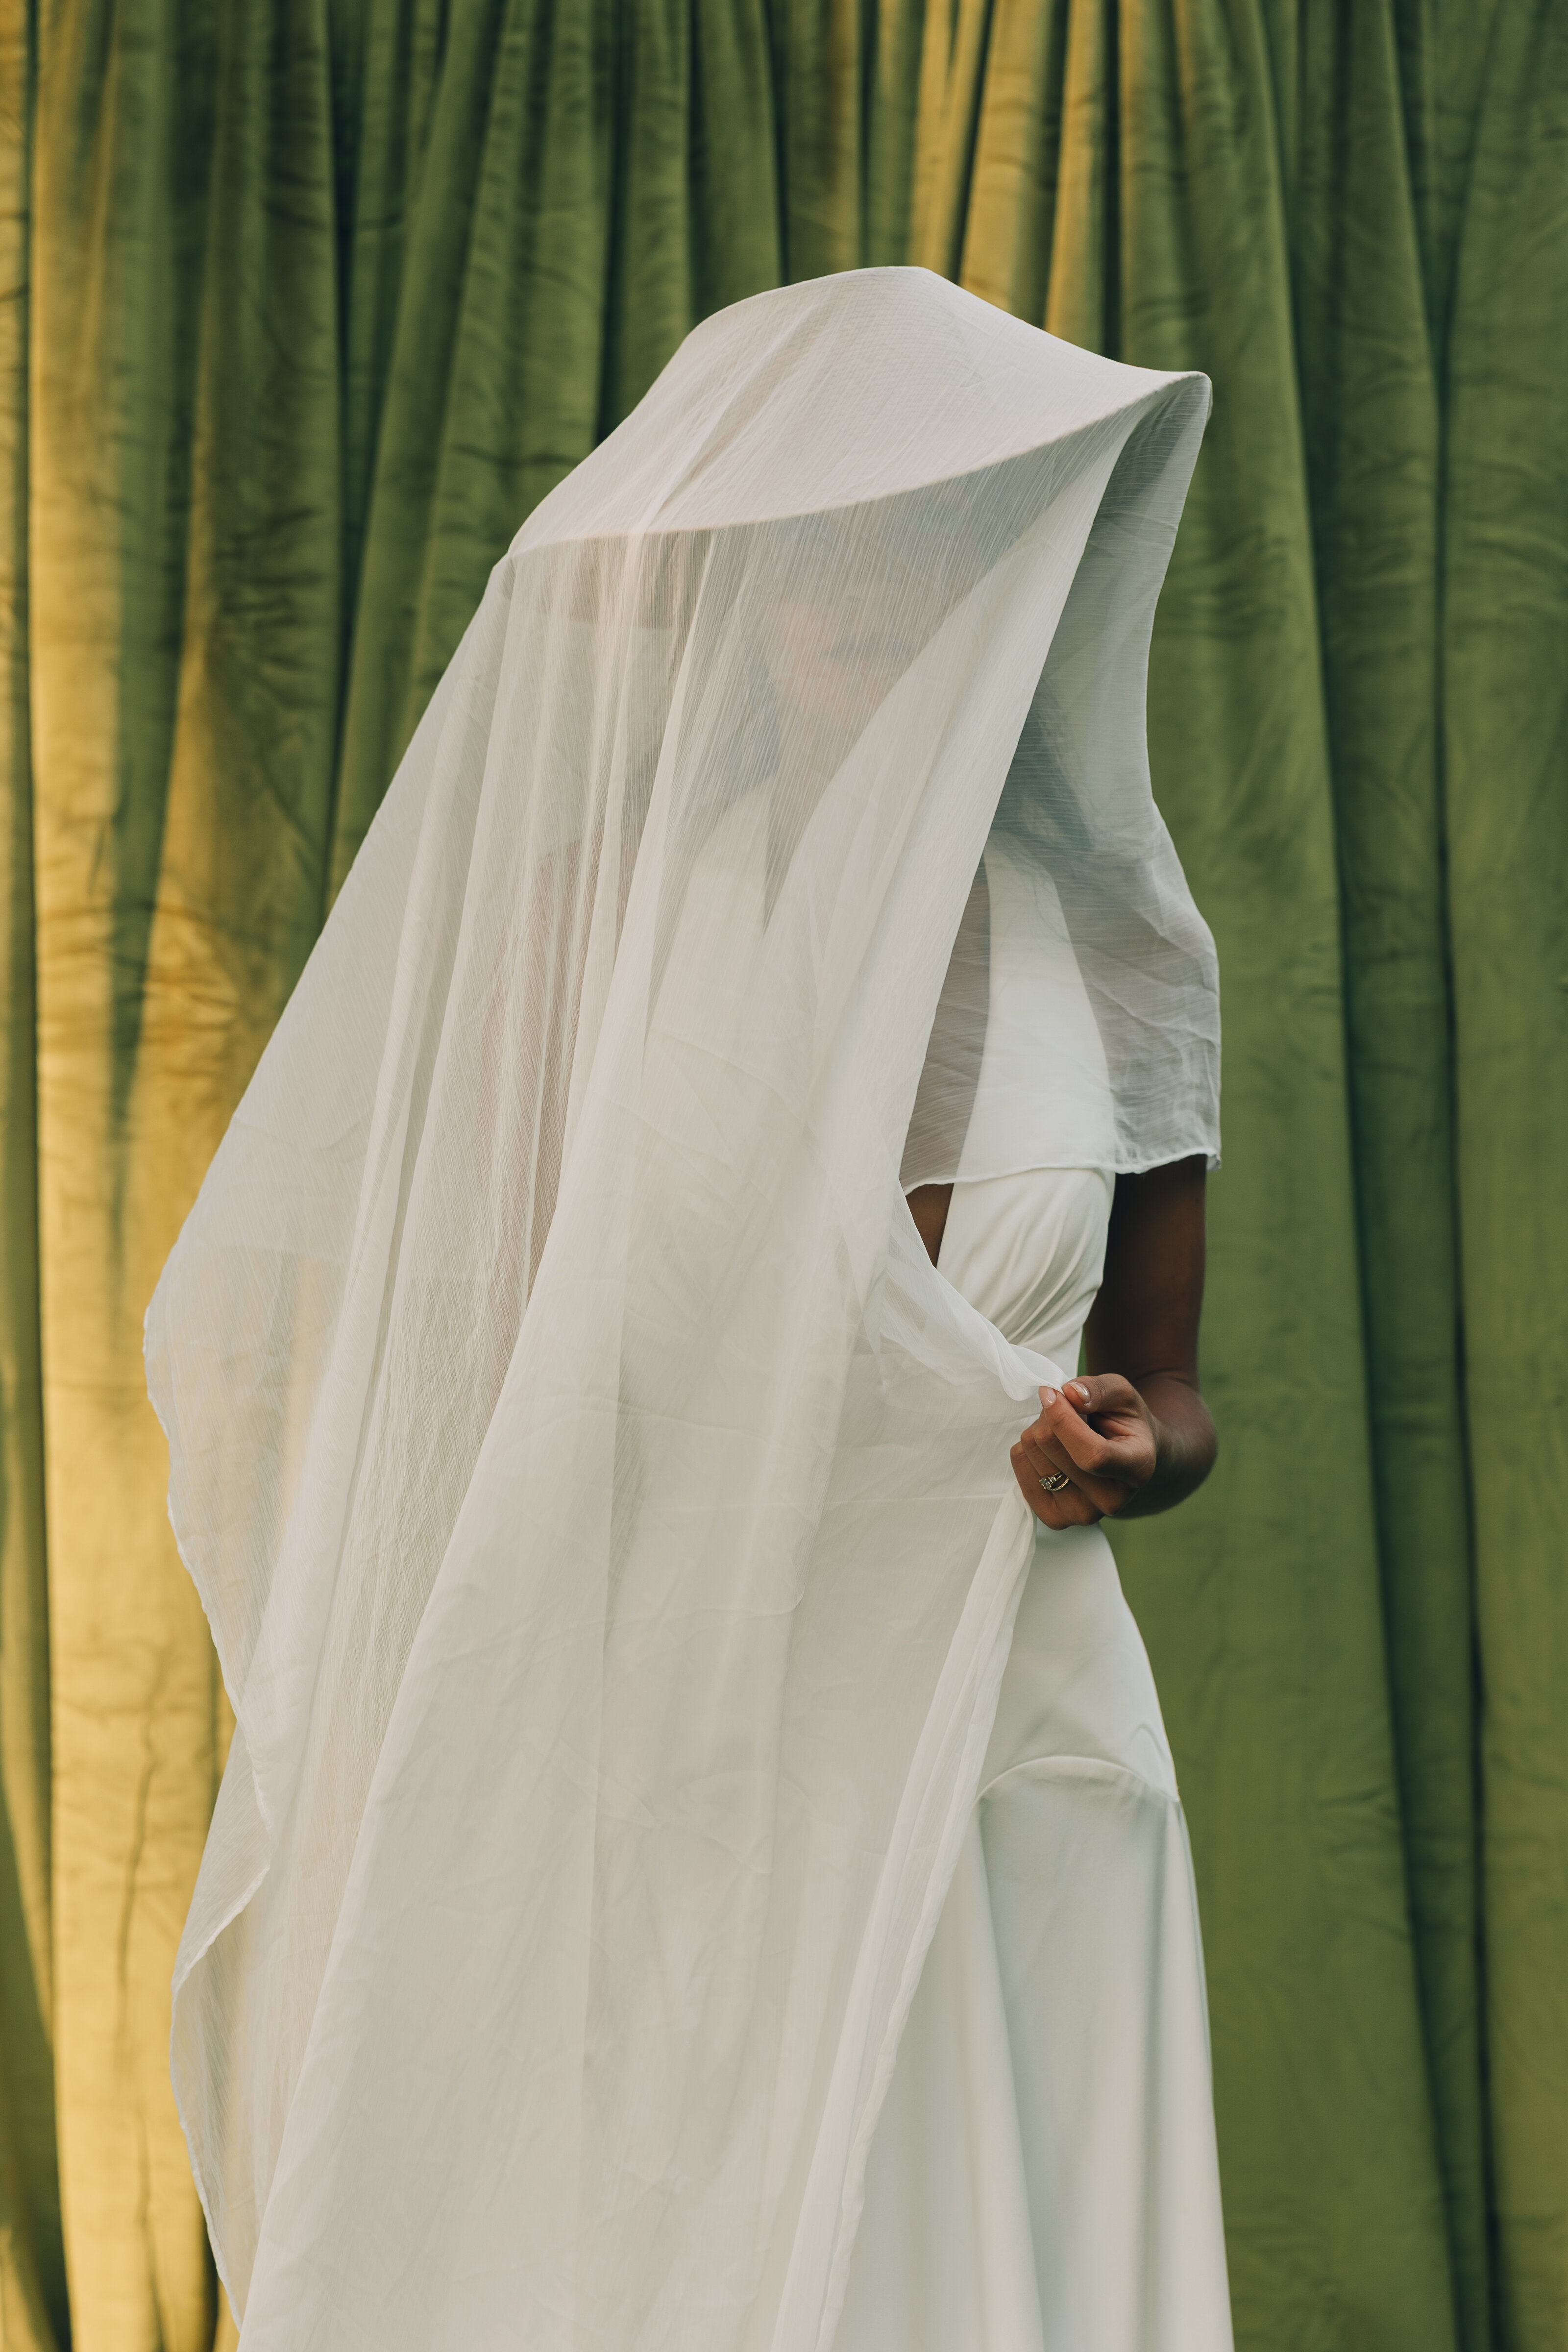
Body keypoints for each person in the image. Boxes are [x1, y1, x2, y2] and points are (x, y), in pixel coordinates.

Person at [147, 267, 1231, 2350]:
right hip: (677, 1736)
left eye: (923, 544)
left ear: (999, 586)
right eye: (824, 548)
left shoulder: (1114, 960)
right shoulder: (586, 934)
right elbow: (486, 1372)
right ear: (737, 586)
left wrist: (1128, 1450)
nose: (867, 597)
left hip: (1011, 1737)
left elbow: (1173, 1396)